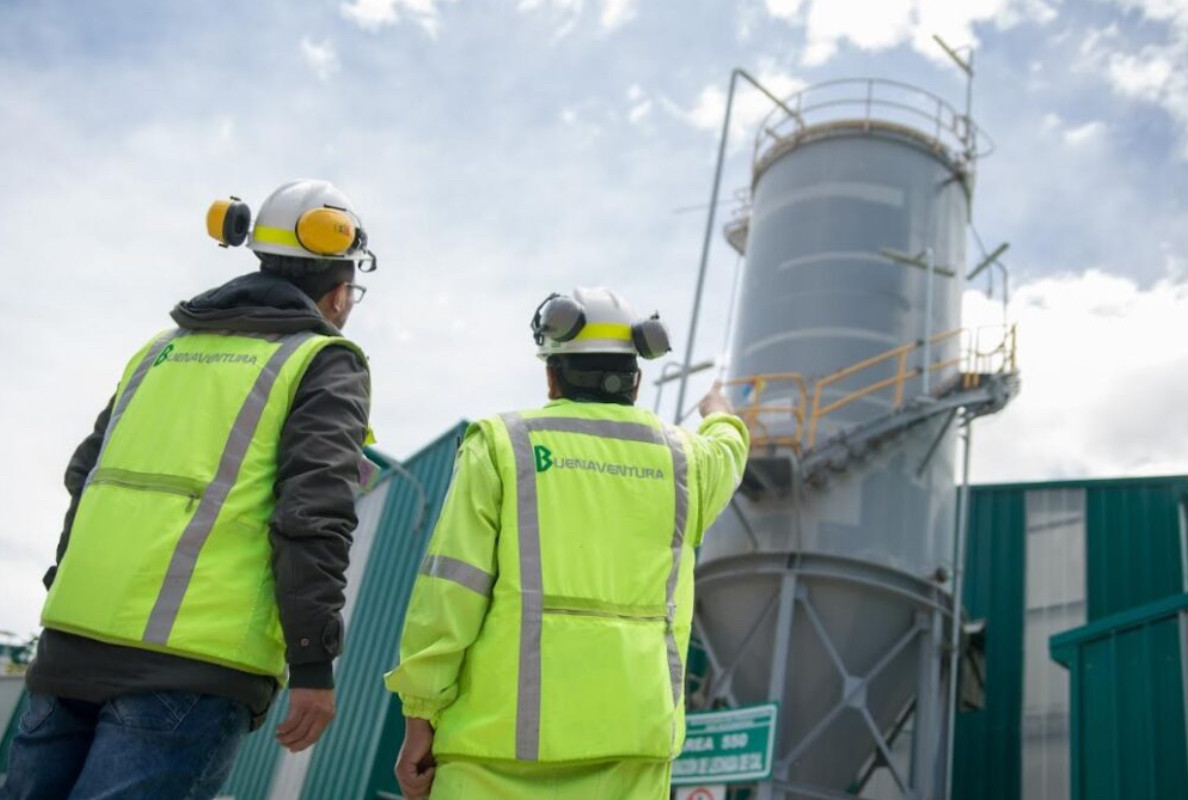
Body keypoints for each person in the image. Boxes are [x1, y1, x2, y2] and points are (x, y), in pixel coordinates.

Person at [2, 179, 377, 800]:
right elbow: (314, 515)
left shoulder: (159, 351)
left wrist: (61, 595)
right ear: (338, 292)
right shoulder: (322, 359)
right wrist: (313, 661)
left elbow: (85, 479)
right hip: (193, 671)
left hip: (68, 648)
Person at [386, 287, 749, 799]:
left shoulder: (502, 445)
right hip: (632, 758)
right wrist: (720, 413)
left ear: (552, 376)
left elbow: (450, 595)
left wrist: (420, 716)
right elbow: (731, 450)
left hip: (493, 758)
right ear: (636, 381)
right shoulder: (688, 463)